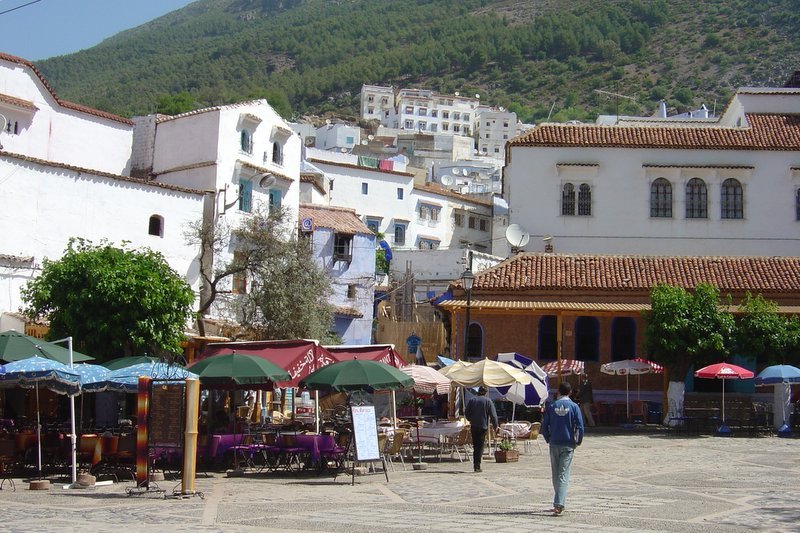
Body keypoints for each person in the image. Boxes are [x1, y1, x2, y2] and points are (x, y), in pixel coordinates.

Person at [542, 381, 584, 516]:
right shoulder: (573, 406)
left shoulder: (552, 405)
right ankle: (559, 503)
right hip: (568, 443)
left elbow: (544, 426)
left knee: (556, 473)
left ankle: (558, 500)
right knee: (563, 474)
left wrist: (548, 438)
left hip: (554, 442)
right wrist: (578, 441)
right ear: (570, 392)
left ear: (558, 391)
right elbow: (580, 426)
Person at [464, 386, 498, 473]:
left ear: (478, 391)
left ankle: (476, 465)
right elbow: (493, 415)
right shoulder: (488, 401)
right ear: (485, 392)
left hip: (474, 426)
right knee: (480, 446)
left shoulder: (472, 400)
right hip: (483, 426)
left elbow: (466, 413)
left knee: (476, 446)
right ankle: (477, 466)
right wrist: (495, 426)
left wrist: (471, 419)